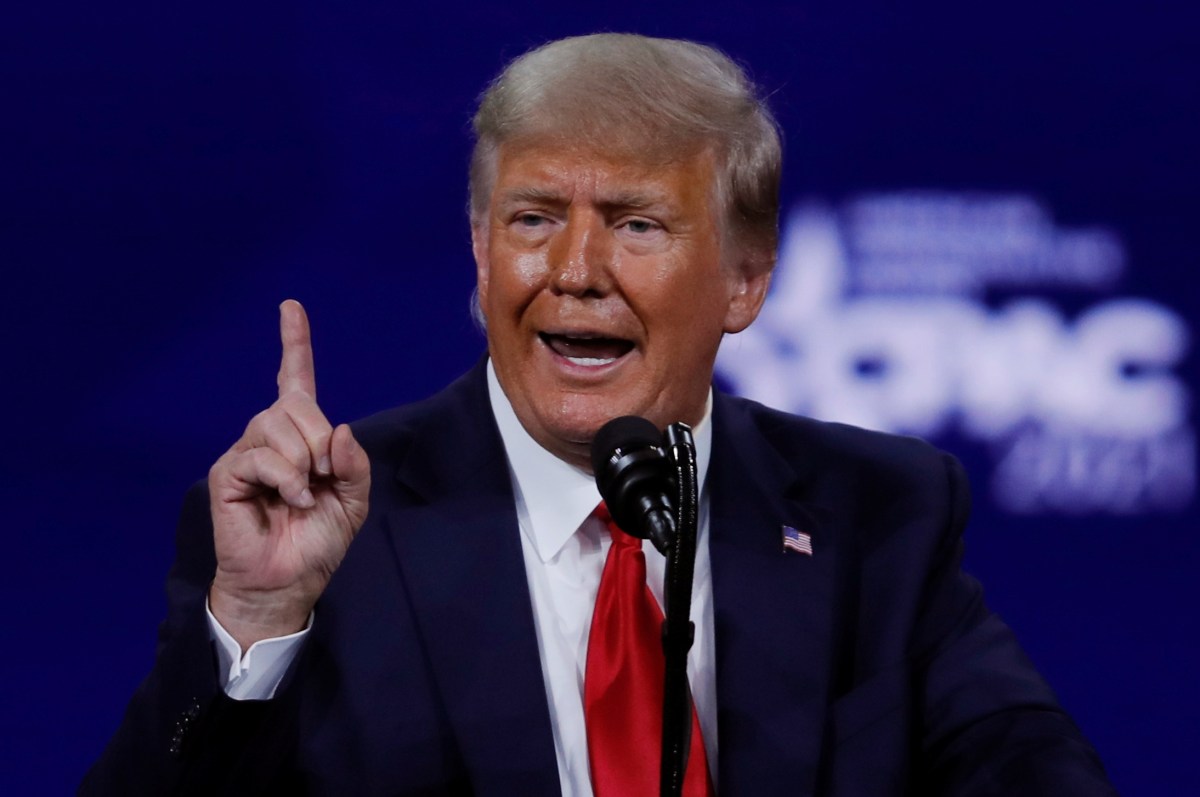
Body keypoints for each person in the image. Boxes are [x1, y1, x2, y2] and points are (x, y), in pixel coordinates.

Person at [83, 33, 1117, 796]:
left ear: (748, 280)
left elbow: (1028, 766)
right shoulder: (318, 528)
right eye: (534, 219)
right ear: (483, 252)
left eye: (636, 224)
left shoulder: (877, 513)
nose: (575, 273)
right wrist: (258, 623)